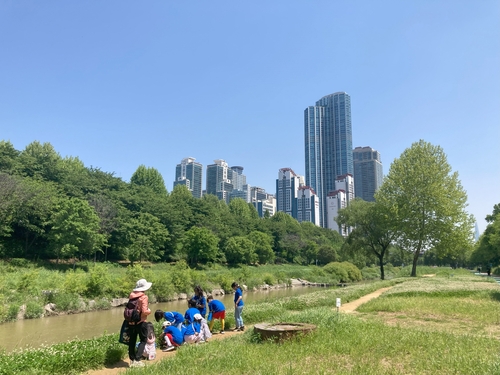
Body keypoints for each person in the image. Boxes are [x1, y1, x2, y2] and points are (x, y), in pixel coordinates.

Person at [127, 278, 152, 368]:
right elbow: (144, 311)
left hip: (131, 322)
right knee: (143, 340)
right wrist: (149, 311)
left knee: (132, 340)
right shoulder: (144, 297)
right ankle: (137, 360)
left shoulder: (132, 296)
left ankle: (132, 359)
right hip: (141, 322)